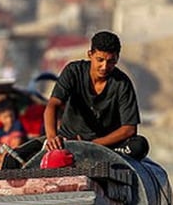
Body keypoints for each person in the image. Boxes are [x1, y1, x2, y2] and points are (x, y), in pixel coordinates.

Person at [42, 30, 147, 159]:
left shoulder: (122, 83)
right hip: (70, 141)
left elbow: (129, 129)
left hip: (106, 145)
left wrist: (93, 144)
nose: (104, 66)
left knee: (139, 146)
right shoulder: (73, 71)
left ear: (117, 59)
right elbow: (53, 104)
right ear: (90, 55)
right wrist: (52, 137)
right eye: (100, 60)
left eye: (111, 61)